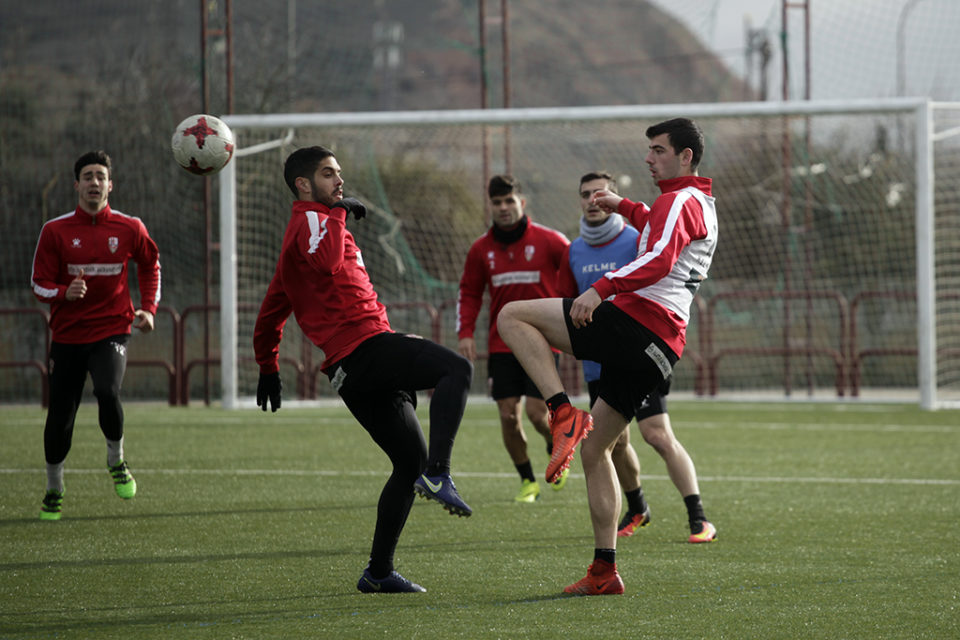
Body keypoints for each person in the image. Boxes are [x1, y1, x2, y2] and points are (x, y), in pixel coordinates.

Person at [497, 118, 718, 595]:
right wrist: (627, 207)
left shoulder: (679, 200)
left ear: (685, 157)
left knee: (512, 316)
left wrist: (601, 288)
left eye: (658, 150)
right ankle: (604, 571)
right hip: (661, 349)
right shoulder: (696, 202)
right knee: (597, 451)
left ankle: (560, 412)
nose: (648, 158)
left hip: (639, 325)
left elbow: (659, 257)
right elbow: (663, 232)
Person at [253, 146, 475, 594]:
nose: (339, 180)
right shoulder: (314, 221)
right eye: (328, 173)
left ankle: (378, 572)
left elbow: (271, 310)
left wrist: (267, 366)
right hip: (365, 352)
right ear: (303, 184)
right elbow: (328, 262)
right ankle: (440, 471)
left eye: (338, 173)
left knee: (406, 462)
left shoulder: (301, 237)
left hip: (352, 371)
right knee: (457, 369)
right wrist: (337, 215)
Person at [558, 171, 715, 542]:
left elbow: (660, 261)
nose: (592, 200)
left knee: (656, 434)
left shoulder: (635, 237)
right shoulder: (574, 250)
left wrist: (605, 288)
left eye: (600, 193)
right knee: (611, 444)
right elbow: (568, 300)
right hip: (598, 361)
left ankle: (699, 517)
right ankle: (638, 508)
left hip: (640, 347)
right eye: (585, 195)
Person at [30, 150, 161, 521]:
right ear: (77, 185)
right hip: (69, 335)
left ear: (110, 185)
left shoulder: (129, 227)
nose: (94, 182)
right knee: (60, 416)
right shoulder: (55, 230)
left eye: (100, 176)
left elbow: (151, 265)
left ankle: (116, 461)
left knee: (107, 390)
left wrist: (148, 308)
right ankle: (54, 488)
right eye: (87, 176)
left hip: (112, 328)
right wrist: (62, 292)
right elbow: (38, 284)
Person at [457, 175, 570, 503]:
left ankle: (556, 448)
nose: (504, 208)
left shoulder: (551, 241)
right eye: (497, 202)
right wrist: (465, 333)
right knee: (508, 414)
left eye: (509, 201)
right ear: (490, 205)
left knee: (538, 413)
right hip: (501, 345)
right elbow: (469, 293)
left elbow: (575, 277)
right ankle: (527, 482)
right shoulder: (481, 249)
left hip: (542, 342)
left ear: (522, 202)